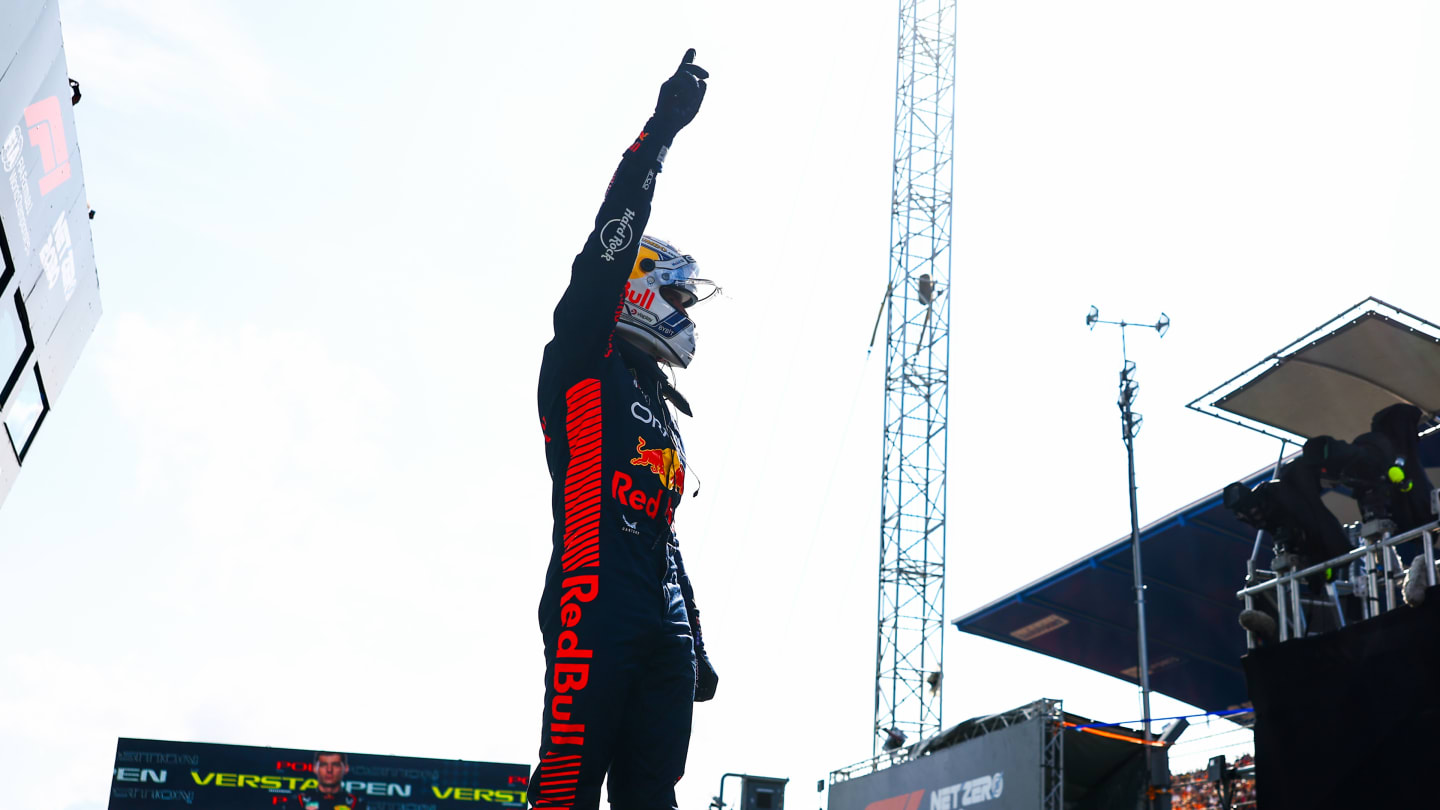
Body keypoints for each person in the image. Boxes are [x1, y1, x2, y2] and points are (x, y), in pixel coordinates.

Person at [529, 49, 718, 810]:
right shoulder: (585, 353)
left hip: (659, 619)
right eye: (678, 296)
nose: (687, 313)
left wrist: (695, 637)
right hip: (590, 599)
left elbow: (662, 532)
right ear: (639, 288)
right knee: (569, 791)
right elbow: (608, 236)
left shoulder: (657, 401)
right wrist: (660, 135)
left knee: (654, 797)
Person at [297, 752, 363, 810]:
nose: (329, 770)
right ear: (314, 768)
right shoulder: (299, 801)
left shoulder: (356, 804)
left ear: (346, 768)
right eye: (323, 765)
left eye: (335, 765)